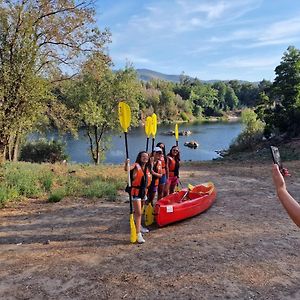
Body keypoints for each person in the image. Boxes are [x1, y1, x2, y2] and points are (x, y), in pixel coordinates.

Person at [124, 151, 152, 243]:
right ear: (139, 157)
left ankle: (139, 226)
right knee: (139, 212)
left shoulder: (147, 168)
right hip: (136, 192)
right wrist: (127, 163)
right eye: (143, 156)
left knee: (140, 211)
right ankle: (138, 234)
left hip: (144, 192)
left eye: (146, 156)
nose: (145, 158)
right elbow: (127, 169)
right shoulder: (136, 165)